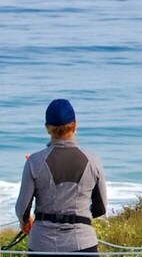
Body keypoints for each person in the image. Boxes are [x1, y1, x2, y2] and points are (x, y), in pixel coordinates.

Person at [14, 99, 109, 254]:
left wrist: (25, 222)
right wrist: (79, 217)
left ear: (47, 128)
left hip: (42, 244)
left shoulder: (35, 161)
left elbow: (22, 209)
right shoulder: (92, 161)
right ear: (75, 125)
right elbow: (101, 207)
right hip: (83, 243)